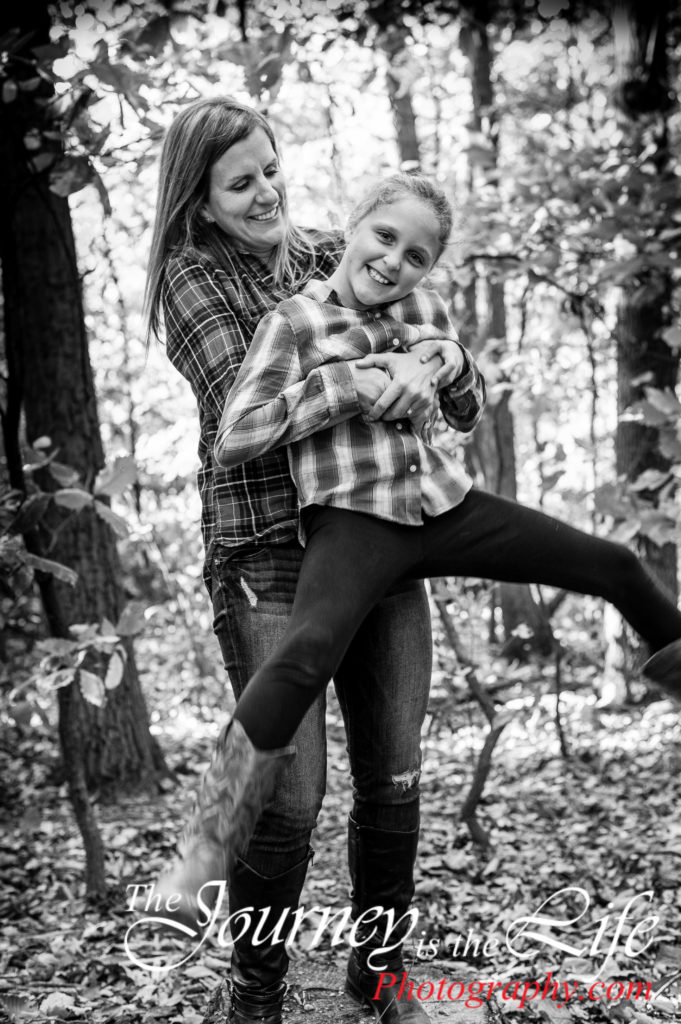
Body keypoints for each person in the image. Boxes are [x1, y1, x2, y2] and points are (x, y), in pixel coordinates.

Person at [163, 172, 681, 937]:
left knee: (612, 563)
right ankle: (205, 844)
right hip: (354, 521)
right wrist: (343, 385)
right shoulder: (295, 321)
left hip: (444, 506)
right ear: (354, 226)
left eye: (417, 256)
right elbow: (235, 437)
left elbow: (464, 415)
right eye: (385, 238)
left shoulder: (424, 309)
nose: (394, 262)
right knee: (303, 655)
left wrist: (451, 361)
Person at [145, 98, 478, 1024]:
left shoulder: (335, 248)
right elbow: (247, 408)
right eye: (239, 184)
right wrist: (380, 371)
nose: (265, 194)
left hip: (378, 540)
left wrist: (441, 355)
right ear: (199, 200)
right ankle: (255, 991)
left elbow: (441, 362)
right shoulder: (190, 281)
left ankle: (380, 975)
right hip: (266, 554)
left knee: (394, 772)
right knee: (289, 794)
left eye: (270, 171)